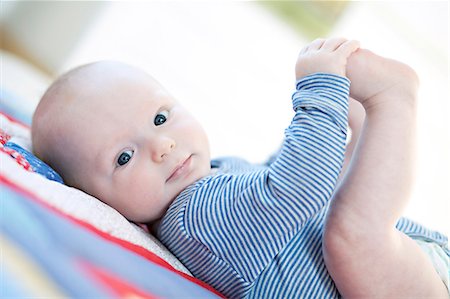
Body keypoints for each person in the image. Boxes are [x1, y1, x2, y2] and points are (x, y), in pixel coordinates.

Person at [32, 37, 449, 298]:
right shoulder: (195, 215)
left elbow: (279, 187)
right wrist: (320, 91)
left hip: (395, 277)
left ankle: (372, 114)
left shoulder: (207, 180)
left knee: (347, 225)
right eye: (124, 158)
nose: (162, 145)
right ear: (96, 199)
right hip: (395, 279)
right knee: (350, 236)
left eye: (161, 118)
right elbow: (300, 186)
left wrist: (337, 122)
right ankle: (394, 101)